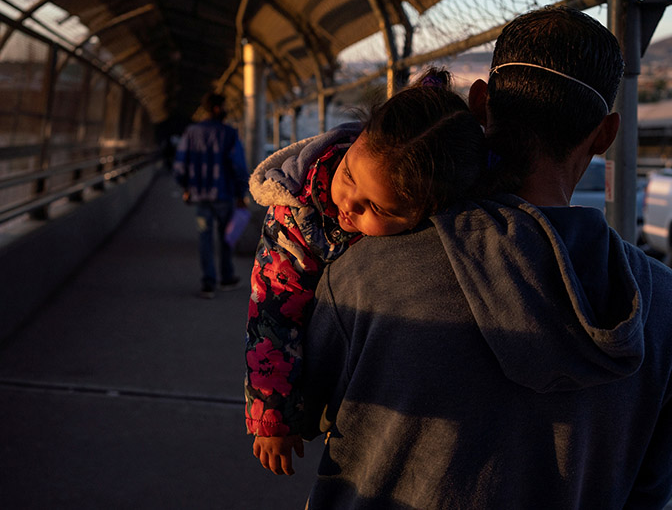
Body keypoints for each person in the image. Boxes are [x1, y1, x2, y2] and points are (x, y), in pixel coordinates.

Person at [299, 6, 672, 508]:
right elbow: (653, 486)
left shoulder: (368, 269)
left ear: (480, 104)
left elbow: (306, 410)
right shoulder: (662, 307)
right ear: (604, 135)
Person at [244, 69, 486, 476]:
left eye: (379, 209)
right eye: (350, 176)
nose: (350, 205)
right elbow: (271, 312)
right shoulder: (295, 215)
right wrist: (272, 415)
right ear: (356, 138)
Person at [173, 92, 249, 299]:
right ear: (217, 108)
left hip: (200, 198)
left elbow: (180, 165)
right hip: (224, 196)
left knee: (204, 239)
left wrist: (186, 187)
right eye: (223, 106)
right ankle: (226, 277)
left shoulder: (191, 132)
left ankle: (208, 283)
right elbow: (239, 166)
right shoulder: (229, 134)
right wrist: (241, 193)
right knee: (226, 237)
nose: (225, 110)